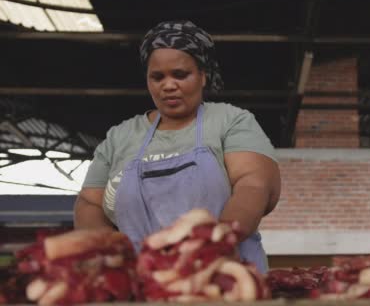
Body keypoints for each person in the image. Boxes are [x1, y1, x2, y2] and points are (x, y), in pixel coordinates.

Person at [73, 20, 281, 273]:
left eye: (180, 74)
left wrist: (215, 242)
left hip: (228, 280)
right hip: (145, 285)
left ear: (203, 76)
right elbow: (89, 203)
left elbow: (254, 185)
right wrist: (113, 255)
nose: (168, 85)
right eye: (157, 77)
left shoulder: (230, 121)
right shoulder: (120, 137)